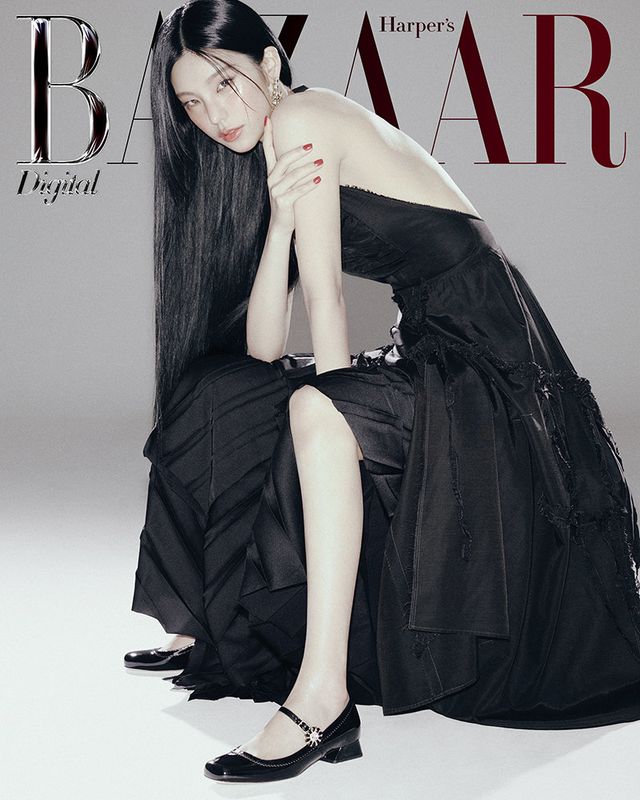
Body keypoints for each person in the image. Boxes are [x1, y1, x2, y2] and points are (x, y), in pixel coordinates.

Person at [124, 0, 640, 783]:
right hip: (436, 352)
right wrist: (278, 225)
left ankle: (320, 697)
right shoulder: (279, 144)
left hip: (490, 369)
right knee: (218, 390)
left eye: (225, 84)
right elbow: (263, 348)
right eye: (193, 103)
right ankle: (209, 622)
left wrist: (336, 412)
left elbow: (327, 300)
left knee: (316, 408)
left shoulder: (303, 117)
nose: (214, 115)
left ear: (269, 64)